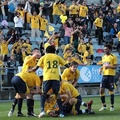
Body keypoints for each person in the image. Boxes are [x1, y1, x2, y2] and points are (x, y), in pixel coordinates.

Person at [28, 45, 69, 118]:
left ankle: (42, 111)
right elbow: (66, 65)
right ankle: (61, 113)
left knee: (44, 94)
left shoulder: (44, 57)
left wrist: (30, 70)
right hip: (56, 78)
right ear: (54, 51)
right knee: (58, 95)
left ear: (46, 51)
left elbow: (36, 67)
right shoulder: (57, 57)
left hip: (47, 78)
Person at [10, 48, 41, 117]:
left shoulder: (37, 61)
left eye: (38, 52)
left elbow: (41, 64)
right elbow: (26, 62)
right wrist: (34, 56)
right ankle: (27, 113)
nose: (37, 53)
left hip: (24, 79)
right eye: (36, 52)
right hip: (22, 78)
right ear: (33, 52)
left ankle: (21, 112)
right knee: (25, 95)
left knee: (21, 95)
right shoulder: (28, 57)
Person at [99, 44, 117, 112]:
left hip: (111, 76)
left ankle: (112, 106)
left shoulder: (113, 57)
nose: (105, 50)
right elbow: (103, 65)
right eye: (104, 49)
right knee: (101, 90)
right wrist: (100, 69)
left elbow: (115, 66)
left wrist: (109, 67)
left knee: (111, 90)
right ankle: (104, 106)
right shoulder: (103, 57)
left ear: (110, 49)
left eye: (106, 49)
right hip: (104, 76)